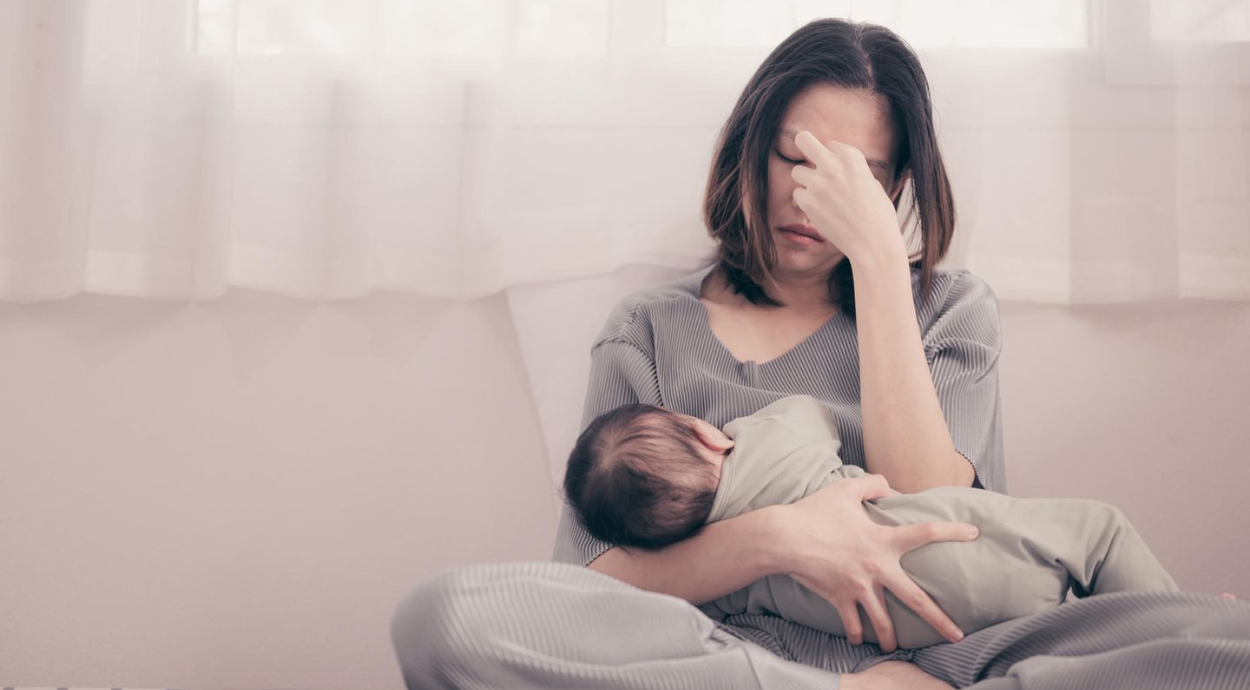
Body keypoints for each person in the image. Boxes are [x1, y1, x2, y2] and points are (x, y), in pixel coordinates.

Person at [392, 17, 1250, 690]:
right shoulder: (648, 330)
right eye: (795, 157)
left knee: (1227, 644)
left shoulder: (951, 311)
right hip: (728, 661)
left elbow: (933, 499)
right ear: (750, 146)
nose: (813, 197)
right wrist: (783, 540)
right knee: (447, 618)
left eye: (858, 177)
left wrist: (880, 263)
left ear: (896, 190)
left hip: (963, 651)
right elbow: (589, 588)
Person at [562, 393, 1179, 649]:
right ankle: (1184, 629)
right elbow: (813, 415)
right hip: (960, 545)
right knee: (1099, 533)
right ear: (703, 431)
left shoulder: (720, 582)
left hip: (932, 637)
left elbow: (642, 599)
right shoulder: (768, 440)